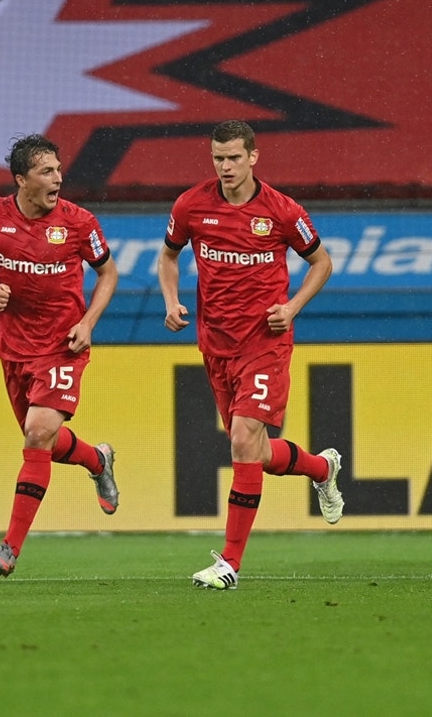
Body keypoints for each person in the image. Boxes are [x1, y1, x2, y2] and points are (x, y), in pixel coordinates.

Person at [157, 119, 344, 590]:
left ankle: (230, 564)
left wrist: (293, 307)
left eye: (234, 157)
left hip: (264, 342)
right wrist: (170, 300)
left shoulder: (281, 211)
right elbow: (167, 255)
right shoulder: (191, 205)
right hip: (215, 344)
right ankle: (323, 468)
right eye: (218, 158)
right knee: (255, 453)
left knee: (242, 439)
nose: (226, 166)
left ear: (254, 157)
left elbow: (321, 262)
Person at [0, 134, 120, 578]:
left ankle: (9, 548)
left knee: (38, 432)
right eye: (47, 172)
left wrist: (88, 324)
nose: (58, 178)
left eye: (59, 169)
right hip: (14, 350)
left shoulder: (79, 222)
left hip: (63, 347)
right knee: (43, 441)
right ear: (21, 179)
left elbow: (108, 273)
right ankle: (97, 459)